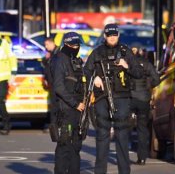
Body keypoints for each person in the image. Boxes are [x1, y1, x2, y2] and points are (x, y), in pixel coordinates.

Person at [84, 23, 143, 174]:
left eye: (114, 35)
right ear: (105, 36)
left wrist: (126, 66)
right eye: (109, 35)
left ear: (118, 35)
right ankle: (100, 171)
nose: (112, 38)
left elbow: (138, 72)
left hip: (122, 97)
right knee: (102, 134)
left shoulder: (125, 52)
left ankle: (124, 171)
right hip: (102, 97)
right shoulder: (97, 52)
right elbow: (86, 71)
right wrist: (94, 77)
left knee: (122, 134)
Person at [53, 32, 86, 174]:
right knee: (64, 146)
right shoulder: (60, 60)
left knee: (76, 146)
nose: (77, 47)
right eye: (74, 45)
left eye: (78, 45)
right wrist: (75, 103)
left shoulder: (75, 60)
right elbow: (59, 87)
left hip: (78, 109)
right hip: (66, 109)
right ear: (66, 44)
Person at [130, 47, 160, 165]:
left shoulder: (127, 64)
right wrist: (148, 86)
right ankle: (142, 158)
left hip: (130, 99)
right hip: (143, 100)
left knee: (123, 127)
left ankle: (122, 153)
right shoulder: (147, 64)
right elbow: (157, 79)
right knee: (142, 128)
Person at [43, 38, 60, 124]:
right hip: (51, 82)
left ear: (52, 43)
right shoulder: (50, 54)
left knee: (56, 104)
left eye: (46, 44)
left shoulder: (58, 52)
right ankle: (54, 123)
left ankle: (55, 124)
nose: (46, 47)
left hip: (56, 82)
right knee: (54, 104)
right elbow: (47, 67)